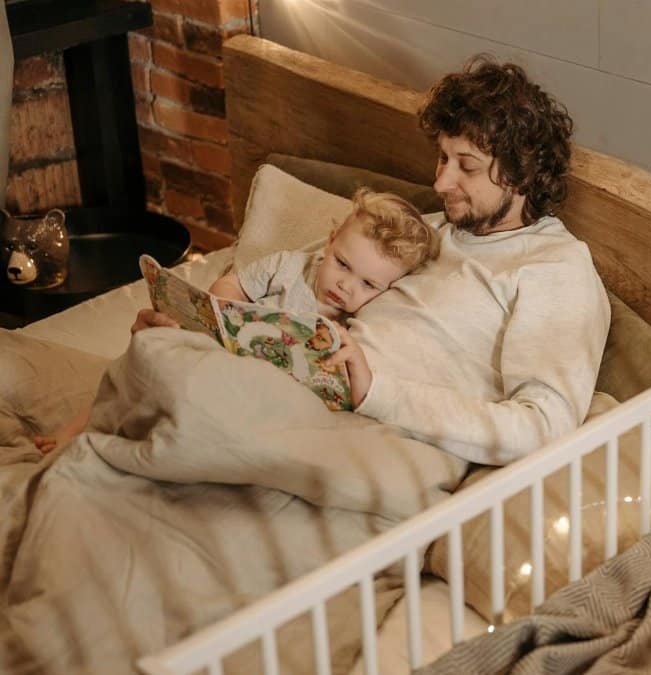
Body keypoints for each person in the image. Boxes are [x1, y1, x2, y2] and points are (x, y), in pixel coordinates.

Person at [134, 55, 610, 467]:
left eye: (466, 166)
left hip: (390, 431)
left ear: (522, 172)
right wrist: (199, 324)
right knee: (153, 354)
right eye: (441, 158)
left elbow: (542, 425)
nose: (441, 182)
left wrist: (375, 392)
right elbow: (308, 271)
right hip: (311, 391)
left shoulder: (556, 268)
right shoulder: (428, 229)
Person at [36, 188, 439, 453]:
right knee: (147, 349)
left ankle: (141, 439)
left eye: (367, 283)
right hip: (224, 351)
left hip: (265, 395)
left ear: (388, 289)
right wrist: (223, 312)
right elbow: (230, 287)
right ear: (330, 241)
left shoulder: (362, 323)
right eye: (342, 263)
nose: (345, 286)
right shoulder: (288, 267)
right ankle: (79, 429)